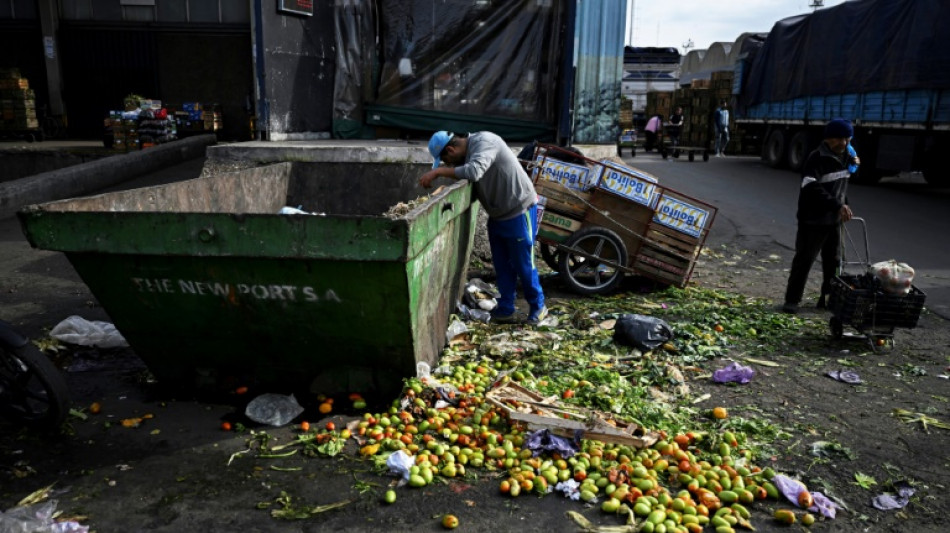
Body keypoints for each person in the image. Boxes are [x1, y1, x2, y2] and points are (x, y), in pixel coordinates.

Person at [419, 131, 547, 324]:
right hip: (497, 216)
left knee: (523, 264)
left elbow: (474, 171)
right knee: (502, 266)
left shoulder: (485, 142)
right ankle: (506, 309)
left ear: (452, 149)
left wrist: (438, 172)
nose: (449, 165)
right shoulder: (468, 155)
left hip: (518, 210)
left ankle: (539, 306)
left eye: (446, 160)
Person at [782, 118, 857, 314]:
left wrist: (844, 205)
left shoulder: (845, 157)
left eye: (848, 140)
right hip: (813, 218)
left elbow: (841, 187)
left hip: (834, 219)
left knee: (833, 261)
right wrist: (837, 204)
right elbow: (810, 187)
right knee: (805, 259)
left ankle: (827, 298)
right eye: (840, 140)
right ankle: (792, 300)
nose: (845, 144)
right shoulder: (817, 157)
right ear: (829, 139)